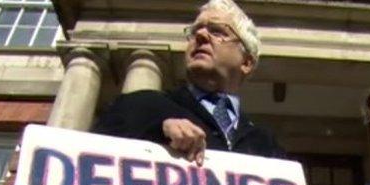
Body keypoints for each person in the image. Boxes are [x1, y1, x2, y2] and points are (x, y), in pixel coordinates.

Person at [92, 0, 283, 162]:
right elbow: (91, 149)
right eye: (195, 31)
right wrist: (159, 130)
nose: (200, 36)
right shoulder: (142, 105)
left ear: (247, 62)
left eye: (217, 31)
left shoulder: (265, 143)